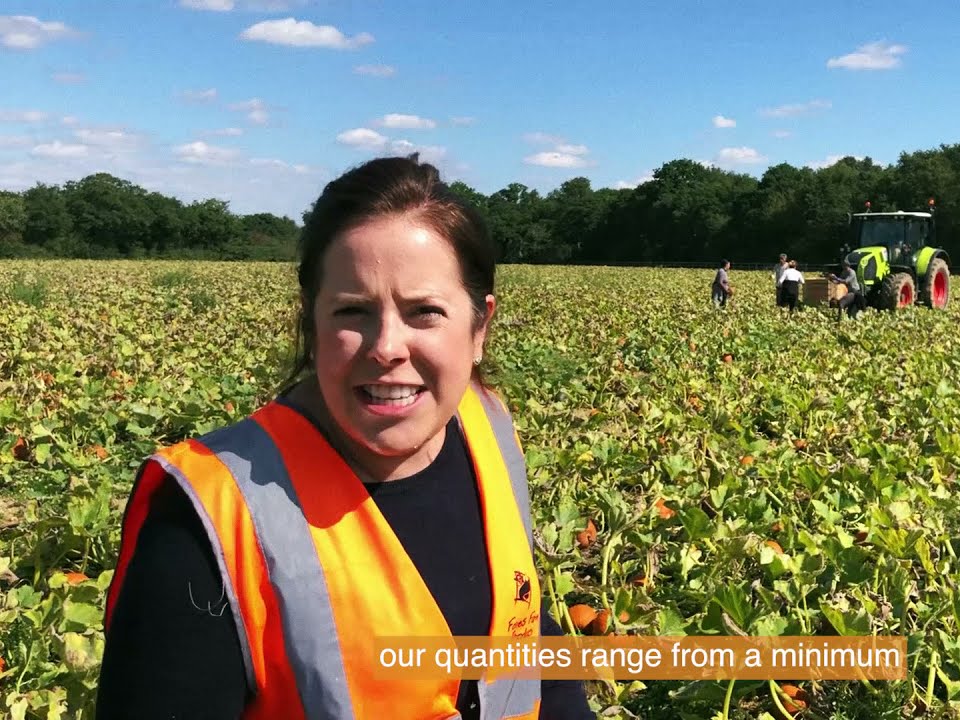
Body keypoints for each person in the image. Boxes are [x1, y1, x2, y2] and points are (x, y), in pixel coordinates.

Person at [95, 153, 594, 720]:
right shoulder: (209, 515)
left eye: (424, 311)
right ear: (312, 323)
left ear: (480, 326)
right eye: (353, 311)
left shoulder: (489, 427)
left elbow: (523, 632)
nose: (387, 347)